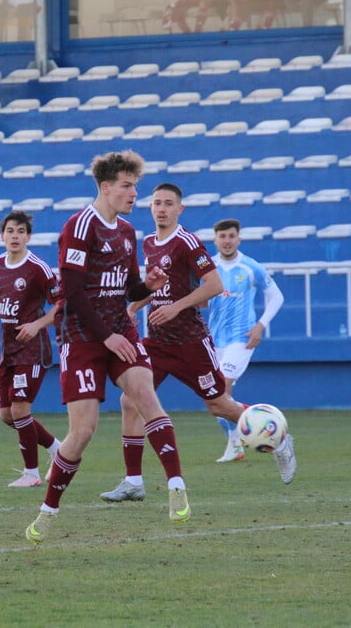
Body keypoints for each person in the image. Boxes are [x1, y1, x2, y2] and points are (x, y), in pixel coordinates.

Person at [24, 150, 188, 548]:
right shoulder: (80, 227)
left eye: (136, 186)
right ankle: (48, 511)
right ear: (105, 187)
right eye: (127, 186)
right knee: (82, 432)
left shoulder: (126, 232)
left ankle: (177, 486)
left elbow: (128, 287)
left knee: (146, 397)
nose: (135, 194)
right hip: (82, 338)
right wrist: (105, 337)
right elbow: (73, 292)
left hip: (119, 331)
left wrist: (147, 286)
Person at [101, 184, 296, 502]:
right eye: (157, 203)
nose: (161, 208)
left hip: (191, 342)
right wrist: (135, 307)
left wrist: (176, 307)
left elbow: (215, 284)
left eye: (168, 204)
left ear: (180, 209)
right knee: (129, 400)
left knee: (219, 404)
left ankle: (279, 437)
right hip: (158, 341)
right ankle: (133, 481)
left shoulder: (187, 242)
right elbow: (157, 286)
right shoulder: (149, 242)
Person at [0, 210, 62, 488]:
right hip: (8, 350)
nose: (15, 236)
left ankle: (32, 474)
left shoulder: (38, 268)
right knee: (7, 415)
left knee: (21, 410)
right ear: (2, 235)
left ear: (28, 237)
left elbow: (61, 306)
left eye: (21, 231)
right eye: (10, 231)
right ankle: (58, 450)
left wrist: (37, 325)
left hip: (33, 350)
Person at [208, 218, 284, 462]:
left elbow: (277, 297)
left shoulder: (251, 267)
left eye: (231, 236)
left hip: (241, 339)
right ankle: (256, 423)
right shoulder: (208, 267)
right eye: (223, 237)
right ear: (215, 239)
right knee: (216, 398)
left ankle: (239, 442)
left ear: (238, 239)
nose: (227, 241)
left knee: (222, 387)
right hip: (213, 340)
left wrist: (260, 326)